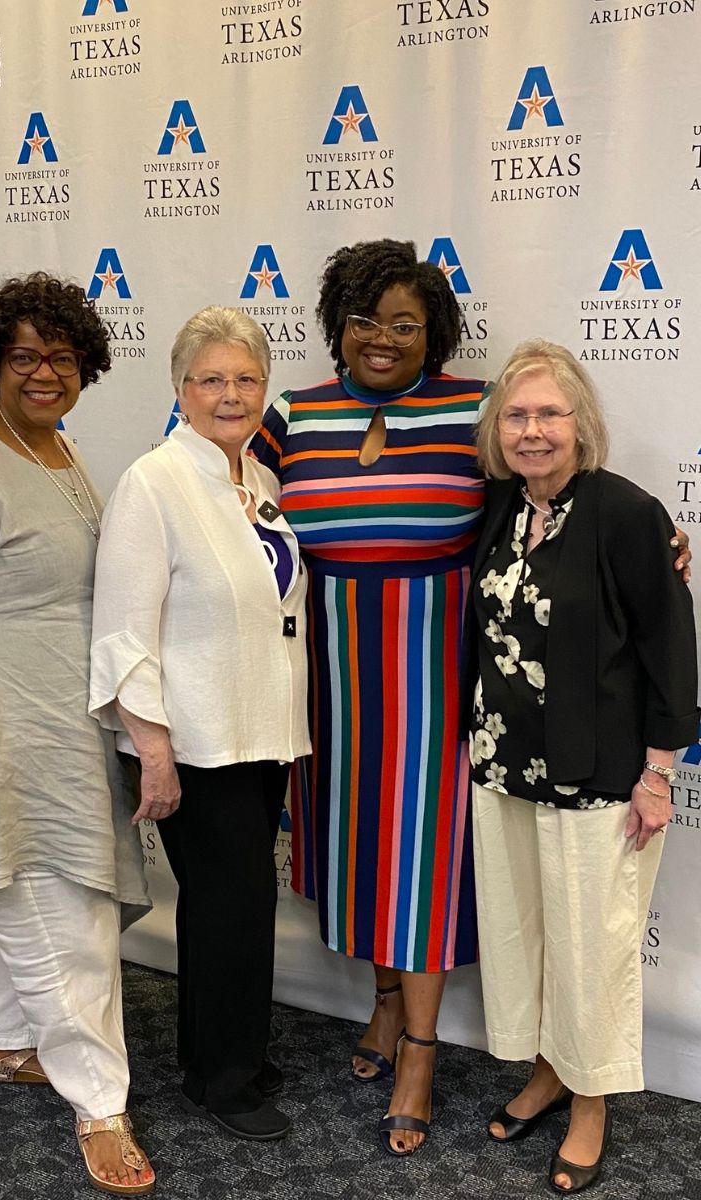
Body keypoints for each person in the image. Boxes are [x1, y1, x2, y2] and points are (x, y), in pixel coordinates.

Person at [0, 273, 155, 1196]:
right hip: (0, 732)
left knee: (30, 894)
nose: (44, 372)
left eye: (61, 356)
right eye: (23, 357)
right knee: (64, 912)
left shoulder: (50, 447)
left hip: (61, 725)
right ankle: (101, 1106)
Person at [249, 239, 488, 1156]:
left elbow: (556, 480)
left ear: (434, 334)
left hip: (435, 671)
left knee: (420, 862)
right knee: (364, 853)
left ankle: (420, 1052)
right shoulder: (295, 415)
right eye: (364, 321)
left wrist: (647, 536)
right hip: (327, 678)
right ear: (336, 328)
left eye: (405, 324)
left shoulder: (472, 408)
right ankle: (385, 1009)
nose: (382, 339)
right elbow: (211, 488)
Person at [467, 340, 698, 1194]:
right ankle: (549, 1070)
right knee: (526, 937)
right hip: (500, 768)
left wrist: (658, 773)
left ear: (580, 423)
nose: (532, 431)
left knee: (589, 946)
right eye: (517, 416)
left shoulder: (628, 514)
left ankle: (592, 1099)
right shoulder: (500, 507)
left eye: (548, 415)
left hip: (598, 779)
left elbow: (671, 649)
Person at [89, 306, 310, 1142]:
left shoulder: (255, 481)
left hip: (262, 733)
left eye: (246, 378)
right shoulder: (156, 481)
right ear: (181, 389)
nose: (230, 394)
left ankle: (219, 1050)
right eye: (211, 379)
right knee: (232, 908)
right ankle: (224, 1082)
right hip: (195, 743)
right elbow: (122, 629)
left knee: (238, 906)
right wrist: (152, 749)